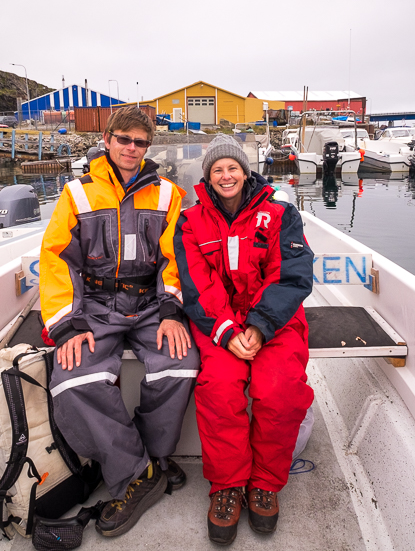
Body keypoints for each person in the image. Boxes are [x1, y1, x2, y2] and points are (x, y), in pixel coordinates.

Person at [39, 106, 200, 537]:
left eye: (140, 142)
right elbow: (56, 261)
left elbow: (174, 258)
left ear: (148, 147)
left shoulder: (168, 194)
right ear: (108, 140)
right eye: (124, 139)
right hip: (94, 304)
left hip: (149, 302)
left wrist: (170, 310)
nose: (131, 148)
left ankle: (156, 460)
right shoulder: (77, 193)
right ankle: (139, 472)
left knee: (181, 363)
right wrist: (68, 325)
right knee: (72, 379)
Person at [174, 134, 315, 545]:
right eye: (217, 169)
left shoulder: (279, 212)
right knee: (218, 390)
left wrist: (259, 325)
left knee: (280, 390)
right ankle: (228, 487)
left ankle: (265, 483)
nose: (225, 175)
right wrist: (227, 331)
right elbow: (195, 284)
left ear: (245, 170)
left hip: (275, 321)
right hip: (219, 325)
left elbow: (292, 272)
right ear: (208, 177)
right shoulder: (191, 221)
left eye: (232, 167)